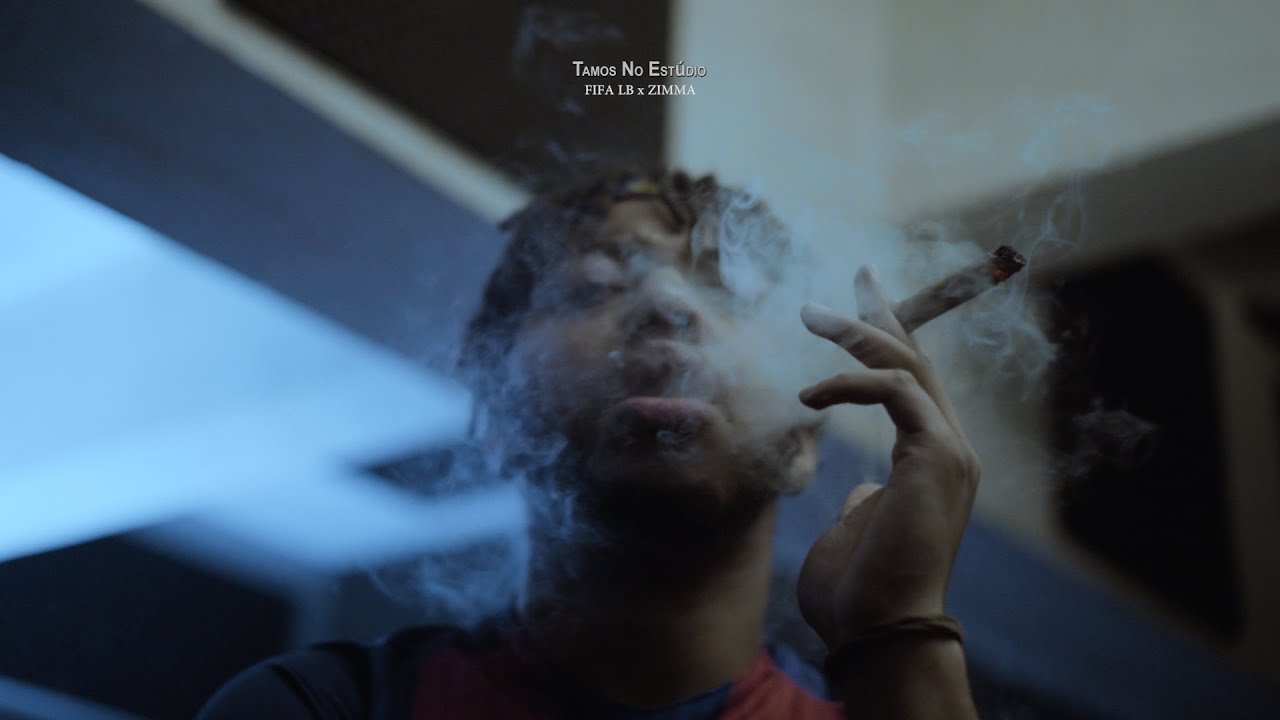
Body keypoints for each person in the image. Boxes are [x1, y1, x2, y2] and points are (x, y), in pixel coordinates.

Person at [198, 170, 982, 719]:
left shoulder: (893, 706)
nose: (666, 303)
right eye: (594, 285)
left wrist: (903, 632)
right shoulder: (324, 708)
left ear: (803, 443)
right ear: (499, 418)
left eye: (730, 291)